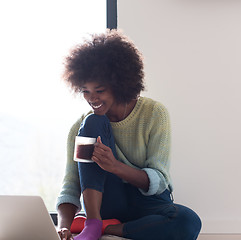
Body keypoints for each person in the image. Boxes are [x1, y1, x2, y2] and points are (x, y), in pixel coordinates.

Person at [56, 29, 202, 240]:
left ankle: (105, 228)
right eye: (85, 91)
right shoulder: (81, 126)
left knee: (188, 221)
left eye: (99, 90)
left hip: (148, 201)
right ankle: (93, 222)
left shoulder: (154, 114)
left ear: (119, 84)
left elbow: (159, 180)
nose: (91, 98)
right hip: (106, 200)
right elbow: (71, 184)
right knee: (92, 123)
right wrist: (63, 226)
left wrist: (115, 166)